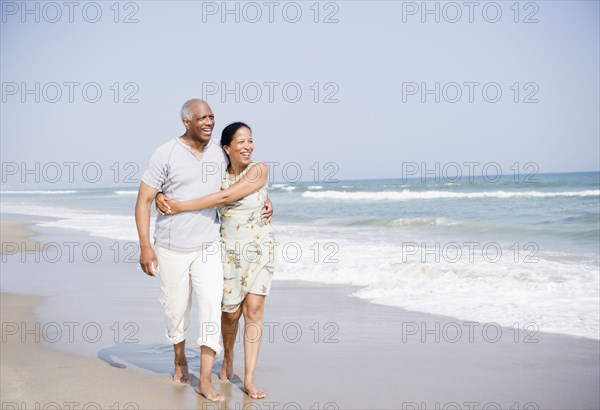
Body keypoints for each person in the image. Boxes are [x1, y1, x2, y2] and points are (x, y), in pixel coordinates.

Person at [134, 100, 272, 403]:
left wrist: (268, 200)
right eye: (202, 118)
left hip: (213, 246)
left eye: (212, 117)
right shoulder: (166, 153)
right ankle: (181, 360)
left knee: (213, 308)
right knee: (176, 310)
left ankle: (207, 380)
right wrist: (146, 244)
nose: (209, 122)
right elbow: (143, 199)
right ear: (186, 122)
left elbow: (232, 189)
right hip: (174, 246)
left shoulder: (223, 155)